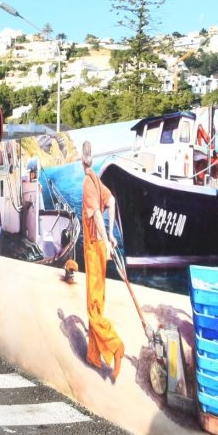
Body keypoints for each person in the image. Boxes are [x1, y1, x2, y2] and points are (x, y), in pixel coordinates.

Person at [81, 140, 125, 382]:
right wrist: (111, 233)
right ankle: (93, 355)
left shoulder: (88, 183)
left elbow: (97, 213)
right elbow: (112, 203)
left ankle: (116, 346)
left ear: (81, 160)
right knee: (97, 303)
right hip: (100, 245)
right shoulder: (98, 181)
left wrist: (106, 241)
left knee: (92, 307)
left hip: (93, 248)